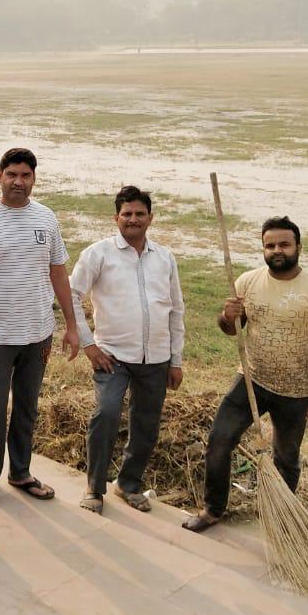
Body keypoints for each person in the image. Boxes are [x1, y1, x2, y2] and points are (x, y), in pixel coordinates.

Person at [183, 216, 308, 532]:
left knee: (286, 458)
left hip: (295, 392)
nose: (276, 250)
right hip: (251, 381)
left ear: (299, 246)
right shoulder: (247, 282)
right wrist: (227, 317)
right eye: (269, 245)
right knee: (219, 440)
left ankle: (281, 520)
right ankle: (213, 508)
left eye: (284, 244)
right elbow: (231, 330)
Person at [0, 147, 79, 507]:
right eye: (12, 175)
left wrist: (71, 325)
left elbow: (58, 273)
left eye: (26, 176)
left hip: (38, 333)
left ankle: (21, 472)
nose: (18, 182)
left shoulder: (47, 219)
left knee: (27, 405)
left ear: (34, 179)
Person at [70, 187, 185, 514]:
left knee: (147, 424)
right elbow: (71, 296)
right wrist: (89, 345)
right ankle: (95, 488)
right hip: (112, 357)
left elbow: (176, 310)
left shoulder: (164, 257)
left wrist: (175, 360)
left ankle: (129, 484)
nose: (133, 219)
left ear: (150, 217)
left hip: (156, 358)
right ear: (116, 218)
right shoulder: (98, 254)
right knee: (106, 414)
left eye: (139, 214)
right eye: (127, 214)